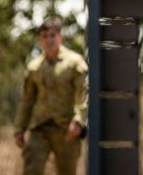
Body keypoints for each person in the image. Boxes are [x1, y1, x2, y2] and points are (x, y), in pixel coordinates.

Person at [14, 17, 88, 175]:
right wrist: (19, 129)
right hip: (40, 127)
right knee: (31, 169)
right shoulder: (34, 67)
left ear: (61, 37)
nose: (49, 40)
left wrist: (79, 121)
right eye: (44, 36)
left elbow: (82, 94)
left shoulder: (74, 63)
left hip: (67, 130)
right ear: (40, 40)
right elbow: (27, 100)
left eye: (53, 35)